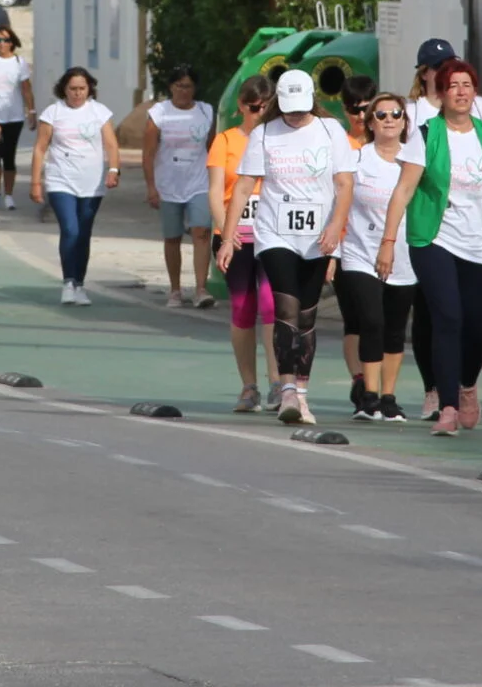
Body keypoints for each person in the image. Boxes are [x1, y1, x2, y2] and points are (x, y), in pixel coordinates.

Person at [379, 59, 482, 437]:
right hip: (433, 239)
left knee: (479, 326)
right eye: (452, 85)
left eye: (467, 84)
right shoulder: (426, 133)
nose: (461, 91)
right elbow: (403, 190)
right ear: (441, 91)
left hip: (481, 243)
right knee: (448, 317)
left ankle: (468, 384)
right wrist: (388, 243)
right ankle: (448, 405)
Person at [221, 70, 353, 427]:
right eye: (289, 108)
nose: (295, 116)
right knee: (285, 306)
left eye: (301, 108)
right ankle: (286, 390)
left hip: (316, 236)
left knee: (307, 316)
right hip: (274, 234)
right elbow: (245, 185)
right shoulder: (265, 133)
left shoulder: (331, 131)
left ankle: (303, 394)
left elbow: (344, 184)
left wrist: (335, 228)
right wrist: (228, 236)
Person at [336, 91, 419, 420]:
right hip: (360, 253)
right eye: (381, 115)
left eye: (395, 114)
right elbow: (339, 203)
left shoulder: (414, 163)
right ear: (370, 122)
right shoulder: (357, 159)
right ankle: (368, 395)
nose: (388, 120)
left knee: (396, 329)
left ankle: (388, 396)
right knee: (372, 320)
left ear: (404, 122)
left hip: (404, 255)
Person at [207, 76, 276, 404]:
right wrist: (226, 235)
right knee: (243, 308)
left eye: (265, 106)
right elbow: (215, 191)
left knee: (272, 305)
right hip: (237, 236)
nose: (259, 112)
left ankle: (280, 383)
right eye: (253, 107)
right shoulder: (225, 140)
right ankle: (249, 385)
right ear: (241, 106)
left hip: (273, 235)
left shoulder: (278, 141)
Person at [31, 67, 119, 306]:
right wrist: (36, 182)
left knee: (83, 234)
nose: (77, 93)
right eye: (73, 89)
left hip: (91, 183)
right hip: (61, 180)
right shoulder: (53, 112)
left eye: (82, 88)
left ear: (89, 89)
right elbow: (40, 147)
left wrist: (113, 170)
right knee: (70, 229)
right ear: (64, 89)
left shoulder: (99, 112)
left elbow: (111, 144)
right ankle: (68, 282)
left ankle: (80, 284)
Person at [142, 65, 217, 309]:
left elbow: (213, 148)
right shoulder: (159, 113)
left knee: (201, 232)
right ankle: (175, 290)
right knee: (172, 237)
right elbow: (149, 152)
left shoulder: (206, 111)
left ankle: (200, 288)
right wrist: (151, 187)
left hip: (199, 181)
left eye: (188, 86)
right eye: (178, 85)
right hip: (168, 183)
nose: (183, 91)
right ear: (171, 87)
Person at [0, 25, 32, 209]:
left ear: (12, 42)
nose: (2, 44)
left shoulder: (19, 62)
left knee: (9, 156)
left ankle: (9, 194)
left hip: (14, 115)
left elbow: (26, 88)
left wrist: (31, 111)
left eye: (6, 40)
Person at [408, 37, 455, 128]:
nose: (446, 72)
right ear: (423, 74)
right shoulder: (410, 114)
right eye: (439, 67)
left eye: (451, 66)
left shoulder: (479, 107)